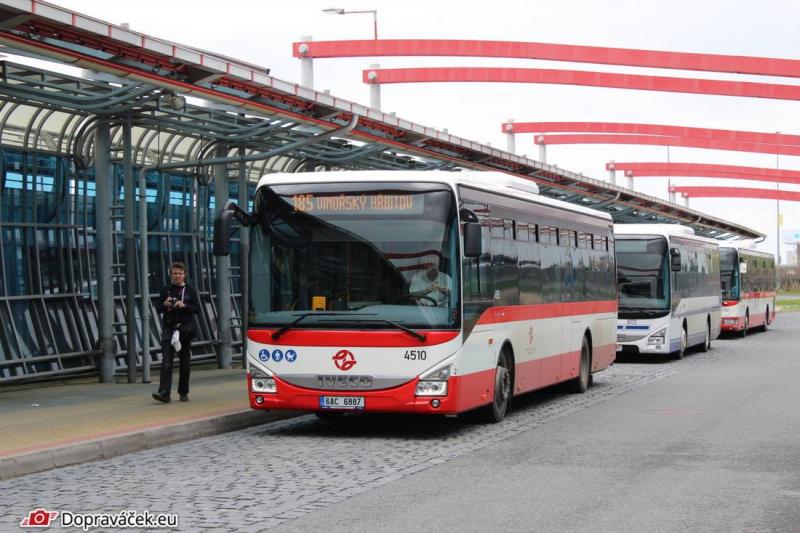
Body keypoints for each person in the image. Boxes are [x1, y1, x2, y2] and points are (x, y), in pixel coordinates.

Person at [152, 262, 199, 403]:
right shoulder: (166, 290)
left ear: (184, 274)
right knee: (166, 361)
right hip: (169, 328)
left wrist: (185, 305)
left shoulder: (190, 290)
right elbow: (158, 308)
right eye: (174, 273)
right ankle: (164, 393)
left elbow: (197, 309)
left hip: (184, 329)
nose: (177, 276)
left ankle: (183, 392)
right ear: (170, 275)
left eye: (180, 273)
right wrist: (165, 304)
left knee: (185, 362)